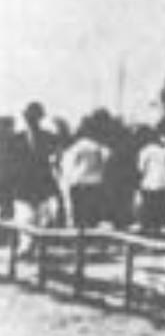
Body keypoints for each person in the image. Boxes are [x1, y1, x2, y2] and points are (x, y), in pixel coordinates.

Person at [9, 103, 61, 253]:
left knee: (42, 220)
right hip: (22, 186)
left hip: (42, 186)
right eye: (29, 117)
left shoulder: (48, 137)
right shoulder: (16, 139)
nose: (31, 120)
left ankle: (40, 250)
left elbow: (55, 158)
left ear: (39, 118)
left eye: (35, 117)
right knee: (24, 220)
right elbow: (10, 163)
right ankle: (26, 249)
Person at [59, 116, 111, 229]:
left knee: (79, 217)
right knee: (92, 216)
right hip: (96, 183)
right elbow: (104, 163)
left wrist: (69, 181)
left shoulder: (76, 147)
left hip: (79, 184)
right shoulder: (99, 147)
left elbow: (68, 167)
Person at [135, 126, 165, 233]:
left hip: (150, 180)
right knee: (162, 204)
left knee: (149, 203)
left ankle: (148, 224)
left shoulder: (145, 150)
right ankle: (161, 224)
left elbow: (141, 167)